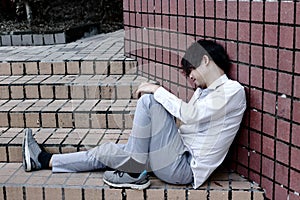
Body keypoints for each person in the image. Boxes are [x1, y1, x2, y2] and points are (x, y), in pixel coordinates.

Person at [22, 39, 246, 190]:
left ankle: (133, 172)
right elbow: (186, 124)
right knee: (108, 151)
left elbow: (190, 115)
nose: (190, 78)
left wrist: (158, 91)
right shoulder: (203, 93)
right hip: (175, 155)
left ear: (205, 60)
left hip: (186, 168)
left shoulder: (232, 91)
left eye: (191, 71)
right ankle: (45, 161)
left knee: (150, 99)